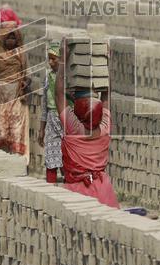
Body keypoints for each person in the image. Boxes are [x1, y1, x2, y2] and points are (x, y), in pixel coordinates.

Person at [54, 38, 119, 208]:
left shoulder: (74, 130)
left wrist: (63, 59)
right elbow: (107, 95)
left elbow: (59, 95)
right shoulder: (104, 127)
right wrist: (105, 65)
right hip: (104, 192)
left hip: (76, 192)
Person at [0, 21, 30, 158]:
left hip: (16, 95)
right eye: (8, 37)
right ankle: (1, 158)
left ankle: (17, 160)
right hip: (0, 96)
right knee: (2, 129)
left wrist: (25, 84)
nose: (11, 40)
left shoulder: (21, 53)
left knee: (16, 128)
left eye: (13, 37)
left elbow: (28, 74)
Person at [39, 42, 64, 183]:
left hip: (66, 121)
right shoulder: (48, 78)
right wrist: (41, 130)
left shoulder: (68, 79)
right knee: (51, 157)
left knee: (67, 157)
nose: (50, 62)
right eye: (49, 58)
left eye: (54, 59)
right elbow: (44, 106)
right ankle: (51, 185)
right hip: (51, 121)